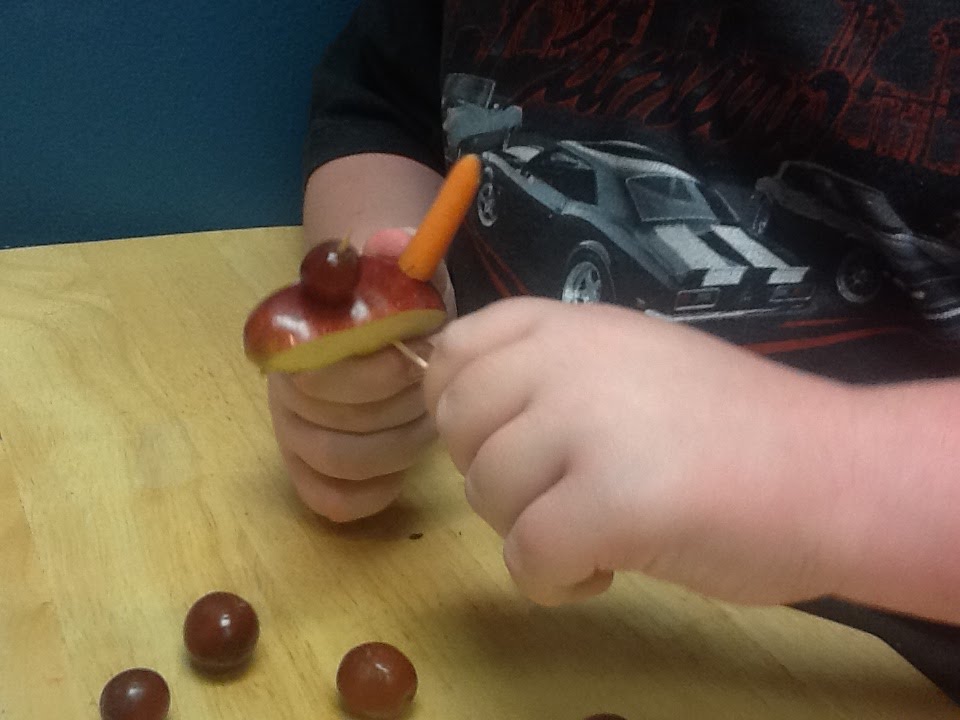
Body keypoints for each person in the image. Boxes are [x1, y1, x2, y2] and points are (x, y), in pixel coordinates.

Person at [267, 0, 960, 699]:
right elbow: (385, 105)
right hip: (471, 563)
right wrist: (383, 296)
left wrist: (830, 477)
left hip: (864, 669)